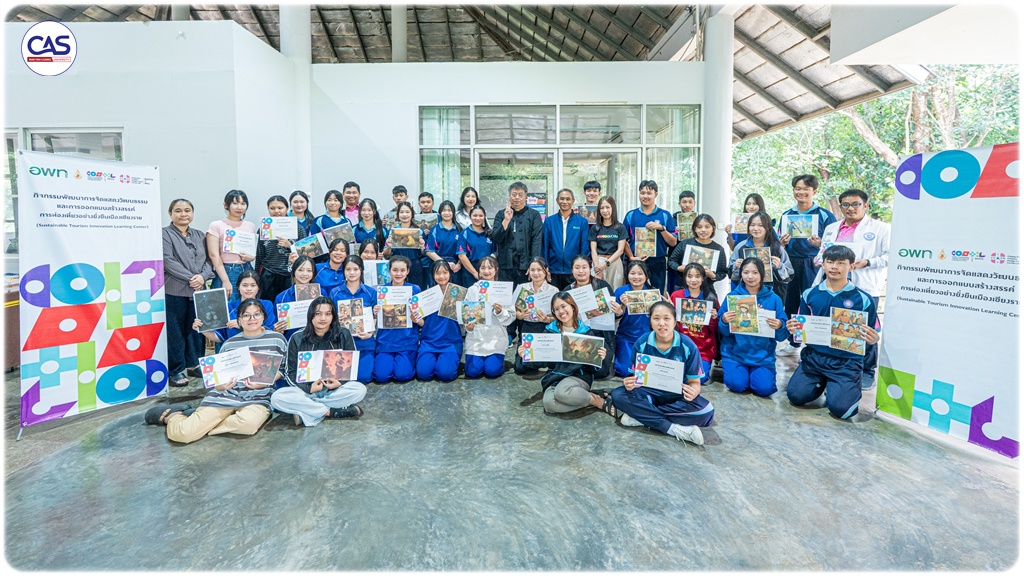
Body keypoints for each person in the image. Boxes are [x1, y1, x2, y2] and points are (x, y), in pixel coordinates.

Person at [145, 298, 287, 442]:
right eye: (246, 315)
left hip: (259, 395)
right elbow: (219, 378)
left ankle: (199, 423)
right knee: (183, 435)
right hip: (227, 394)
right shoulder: (230, 344)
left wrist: (262, 384)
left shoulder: (277, 339)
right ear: (239, 319)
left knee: (247, 425)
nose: (252, 319)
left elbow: (283, 370)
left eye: (257, 314)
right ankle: (173, 417)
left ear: (263, 316)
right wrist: (221, 386)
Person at [786, 245, 880, 419]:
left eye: (840, 263)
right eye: (830, 262)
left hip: (846, 362)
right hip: (814, 359)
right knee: (796, 397)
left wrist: (873, 339)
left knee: (842, 410)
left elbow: (872, 333)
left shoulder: (863, 299)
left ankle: (841, 385)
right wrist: (794, 328)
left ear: (851, 266)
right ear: (823, 264)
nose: (834, 267)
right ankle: (822, 381)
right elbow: (803, 327)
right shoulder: (809, 294)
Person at [812, 188, 890, 389]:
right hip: (831, 285)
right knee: (836, 327)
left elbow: (891, 256)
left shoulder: (882, 229)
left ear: (865, 205)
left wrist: (868, 262)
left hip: (863, 286)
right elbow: (826, 250)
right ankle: (835, 367)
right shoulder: (831, 227)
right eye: (845, 205)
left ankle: (867, 370)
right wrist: (820, 258)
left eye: (855, 204)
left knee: (864, 330)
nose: (850, 208)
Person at [609, 301, 713, 446]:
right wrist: (629, 382)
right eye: (656, 318)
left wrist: (693, 391)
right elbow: (634, 376)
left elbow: (695, 382)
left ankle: (641, 416)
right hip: (648, 393)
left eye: (666, 318)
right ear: (650, 322)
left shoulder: (687, 345)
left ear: (675, 321)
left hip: (677, 396)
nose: (661, 323)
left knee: (706, 412)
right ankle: (672, 429)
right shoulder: (642, 342)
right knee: (618, 395)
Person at [271, 296, 367, 426]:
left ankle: (307, 412)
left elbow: (351, 366)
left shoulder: (343, 333)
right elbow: (290, 372)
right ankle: (331, 412)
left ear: (333, 316)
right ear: (310, 316)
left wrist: (340, 382)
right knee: (277, 398)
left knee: (359, 389)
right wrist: (309, 388)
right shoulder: (297, 338)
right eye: (318, 314)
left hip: (334, 391)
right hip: (306, 391)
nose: (323, 318)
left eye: (328, 314)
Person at [517, 292, 609, 415]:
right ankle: (589, 397)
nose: (561, 311)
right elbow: (541, 362)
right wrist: (527, 356)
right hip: (555, 376)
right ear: (553, 313)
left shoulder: (586, 332)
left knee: (561, 392)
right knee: (549, 405)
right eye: (556, 309)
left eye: (563, 306)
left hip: (578, 376)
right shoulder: (550, 331)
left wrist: (599, 358)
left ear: (572, 306)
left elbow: (592, 369)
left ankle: (597, 401)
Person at [718, 257, 789, 396]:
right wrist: (724, 321)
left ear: (762, 274)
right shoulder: (732, 297)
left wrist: (780, 325)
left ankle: (755, 376)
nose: (750, 277)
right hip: (735, 354)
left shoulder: (774, 299)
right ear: (741, 274)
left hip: (762, 356)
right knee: (737, 385)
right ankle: (741, 374)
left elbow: (782, 335)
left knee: (764, 389)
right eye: (746, 272)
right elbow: (722, 331)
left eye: (755, 273)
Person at [163, 198, 214, 387]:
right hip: (175, 290)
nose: (183, 214)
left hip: (199, 290)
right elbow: (167, 261)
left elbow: (209, 260)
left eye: (187, 210)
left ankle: (194, 364)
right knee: (175, 332)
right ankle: (176, 370)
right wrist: (192, 278)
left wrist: (202, 276)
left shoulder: (200, 234)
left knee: (197, 329)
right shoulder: (165, 234)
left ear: (192, 213)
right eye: (178, 210)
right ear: (170, 214)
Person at [779, 175, 837, 332]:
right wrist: (782, 243)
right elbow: (779, 242)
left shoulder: (825, 215)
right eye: (798, 188)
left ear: (815, 191)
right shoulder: (786, 215)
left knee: (814, 300)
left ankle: (814, 340)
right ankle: (793, 341)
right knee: (790, 301)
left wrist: (820, 245)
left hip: (814, 263)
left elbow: (833, 244)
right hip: (790, 262)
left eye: (806, 189)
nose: (801, 192)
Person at [566, 255, 621, 380]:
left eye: (584, 267)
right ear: (572, 270)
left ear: (590, 268)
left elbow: (615, 318)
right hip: (578, 337)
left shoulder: (602, 286)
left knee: (600, 372)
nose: (581, 271)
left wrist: (618, 311)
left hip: (601, 336)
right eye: (577, 268)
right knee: (574, 368)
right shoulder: (567, 291)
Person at [463, 256, 516, 378]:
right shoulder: (472, 290)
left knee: (492, 371)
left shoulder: (503, 290)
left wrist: (500, 311)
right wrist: (469, 327)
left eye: (490, 268)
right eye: (483, 268)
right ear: (479, 271)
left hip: (495, 340)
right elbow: (466, 317)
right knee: (473, 372)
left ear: (496, 270)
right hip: (476, 340)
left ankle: (496, 361)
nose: (486, 271)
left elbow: (510, 318)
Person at [623, 180, 677, 295]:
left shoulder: (665, 215)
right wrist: (632, 257)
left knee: (656, 294)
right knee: (634, 295)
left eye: (649, 193)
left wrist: (661, 228)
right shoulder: (631, 215)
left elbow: (673, 242)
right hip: (636, 261)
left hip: (658, 261)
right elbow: (623, 241)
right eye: (642, 193)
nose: (645, 196)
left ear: (656, 194)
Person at [328, 255, 377, 383]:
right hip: (342, 344)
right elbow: (330, 317)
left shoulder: (371, 292)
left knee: (363, 378)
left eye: (356, 269)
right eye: (348, 269)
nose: (352, 273)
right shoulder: (335, 293)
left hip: (365, 343)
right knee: (343, 378)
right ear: (343, 271)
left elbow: (374, 317)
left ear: (361, 270)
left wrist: (370, 332)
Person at [373, 256, 422, 383]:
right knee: (381, 377)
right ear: (389, 271)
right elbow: (374, 322)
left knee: (402, 376)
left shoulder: (415, 289)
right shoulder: (381, 291)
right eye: (395, 270)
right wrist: (375, 314)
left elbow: (422, 321)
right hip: (385, 341)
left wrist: (415, 318)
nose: (398, 274)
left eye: (402, 270)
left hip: (407, 341)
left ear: (408, 271)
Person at [669, 262, 719, 385]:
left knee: (700, 379)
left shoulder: (711, 298)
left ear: (703, 278)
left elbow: (715, 330)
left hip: (703, 349)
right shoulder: (676, 296)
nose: (693, 280)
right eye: (689, 276)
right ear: (685, 278)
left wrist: (714, 318)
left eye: (697, 276)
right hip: (680, 347)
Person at [194, 270, 276, 344]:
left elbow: (270, 331)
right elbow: (220, 337)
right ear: (238, 287)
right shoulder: (228, 308)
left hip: (260, 348)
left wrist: (242, 324)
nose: (249, 289)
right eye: (245, 285)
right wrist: (202, 328)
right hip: (234, 352)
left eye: (253, 285)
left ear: (258, 288)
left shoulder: (267, 305)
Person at [414, 260, 463, 382]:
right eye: (437, 273)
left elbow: (464, 320)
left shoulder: (458, 293)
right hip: (429, 342)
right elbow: (424, 323)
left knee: (445, 374)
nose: (441, 276)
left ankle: (446, 362)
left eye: (445, 272)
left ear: (450, 274)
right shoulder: (426, 296)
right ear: (433, 275)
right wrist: (417, 320)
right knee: (423, 374)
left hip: (450, 343)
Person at [728, 211, 793, 303]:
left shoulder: (777, 248)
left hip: (772, 294)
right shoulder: (740, 247)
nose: (756, 228)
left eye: (760, 225)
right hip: (747, 294)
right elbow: (732, 276)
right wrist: (736, 266)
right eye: (752, 225)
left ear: (768, 228)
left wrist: (779, 267)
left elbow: (789, 276)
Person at [206, 189, 257, 301]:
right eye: (235, 203)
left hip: (247, 268)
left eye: (243, 204)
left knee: (248, 304)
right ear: (226, 205)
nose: (239, 207)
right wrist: (225, 280)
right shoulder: (216, 225)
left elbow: (252, 252)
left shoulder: (251, 226)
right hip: (227, 270)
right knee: (229, 305)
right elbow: (213, 254)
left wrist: (251, 257)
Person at [491, 181, 544, 286]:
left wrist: (534, 264)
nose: (517, 197)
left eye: (520, 195)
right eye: (514, 194)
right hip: (505, 266)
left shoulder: (534, 215)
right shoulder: (501, 214)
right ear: (509, 196)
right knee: (506, 298)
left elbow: (536, 241)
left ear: (526, 197)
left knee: (524, 298)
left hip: (526, 266)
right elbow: (496, 238)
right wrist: (506, 220)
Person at [257, 195, 308, 300]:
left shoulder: (298, 229)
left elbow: (305, 254)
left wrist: (290, 246)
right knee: (268, 305)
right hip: (269, 275)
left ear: (287, 208)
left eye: (280, 208)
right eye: (272, 208)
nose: (276, 211)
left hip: (290, 275)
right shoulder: (263, 229)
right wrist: (257, 277)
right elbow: (260, 256)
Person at [612, 261, 658, 376]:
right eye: (633, 273)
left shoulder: (653, 294)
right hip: (625, 337)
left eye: (640, 274)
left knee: (649, 370)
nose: (636, 277)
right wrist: (621, 308)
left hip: (647, 338)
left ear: (646, 275)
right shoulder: (620, 292)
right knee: (625, 371)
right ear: (627, 274)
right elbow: (615, 320)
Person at [512, 257, 556, 376]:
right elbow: (512, 311)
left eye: (539, 270)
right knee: (520, 367)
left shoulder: (553, 290)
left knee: (546, 362)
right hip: (527, 327)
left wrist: (548, 319)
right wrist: (520, 315)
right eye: (532, 270)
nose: (536, 273)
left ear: (546, 271)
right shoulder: (522, 288)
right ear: (528, 271)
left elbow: (559, 317)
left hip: (546, 328)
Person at [668, 213, 729, 298]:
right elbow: (671, 261)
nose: (703, 230)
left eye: (707, 227)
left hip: (707, 290)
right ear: (694, 229)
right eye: (699, 227)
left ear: (713, 229)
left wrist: (713, 275)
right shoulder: (684, 244)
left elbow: (722, 272)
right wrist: (679, 268)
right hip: (683, 288)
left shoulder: (718, 249)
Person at [543, 188, 591, 290]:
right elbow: (545, 246)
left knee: (573, 301)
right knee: (554, 300)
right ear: (557, 200)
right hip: (553, 270)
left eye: (568, 199)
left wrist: (580, 268)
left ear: (573, 201)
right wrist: (545, 267)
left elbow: (584, 247)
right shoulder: (549, 221)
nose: (565, 202)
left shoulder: (581, 222)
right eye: (562, 199)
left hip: (573, 271)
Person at [382, 201, 428, 290]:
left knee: (416, 291)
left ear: (412, 214)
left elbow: (424, 253)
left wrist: (422, 247)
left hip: (415, 266)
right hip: (397, 265)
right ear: (398, 215)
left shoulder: (419, 231)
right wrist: (389, 246)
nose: (404, 215)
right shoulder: (392, 231)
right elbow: (386, 254)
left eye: (407, 212)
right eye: (402, 212)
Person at [588, 195, 628, 291]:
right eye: (602, 208)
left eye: (607, 207)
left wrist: (606, 264)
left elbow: (620, 250)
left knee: (615, 289)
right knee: (598, 291)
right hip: (598, 262)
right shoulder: (595, 228)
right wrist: (597, 267)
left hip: (614, 262)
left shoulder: (620, 227)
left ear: (613, 208)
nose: (605, 211)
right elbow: (593, 250)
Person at [274, 256, 317, 341]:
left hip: (316, 340)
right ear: (294, 272)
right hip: (291, 341)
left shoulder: (321, 294)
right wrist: (278, 329)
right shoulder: (281, 297)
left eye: (309, 270)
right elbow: (277, 324)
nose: (305, 274)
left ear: (313, 274)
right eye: (300, 270)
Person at [425, 200, 464, 287]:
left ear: (453, 213)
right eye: (444, 210)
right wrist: (445, 263)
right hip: (437, 265)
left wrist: (459, 264)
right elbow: (429, 251)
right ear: (440, 212)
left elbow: (463, 251)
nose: (447, 213)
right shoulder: (435, 229)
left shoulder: (459, 229)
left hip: (455, 268)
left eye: (449, 210)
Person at [456, 205, 495, 284]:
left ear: (484, 217)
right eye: (475, 215)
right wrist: (475, 273)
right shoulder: (464, 233)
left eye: (481, 216)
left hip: (488, 271)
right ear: (470, 217)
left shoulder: (490, 233)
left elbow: (495, 252)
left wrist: (487, 269)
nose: (478, 218)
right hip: (470, 271)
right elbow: (461, 256)